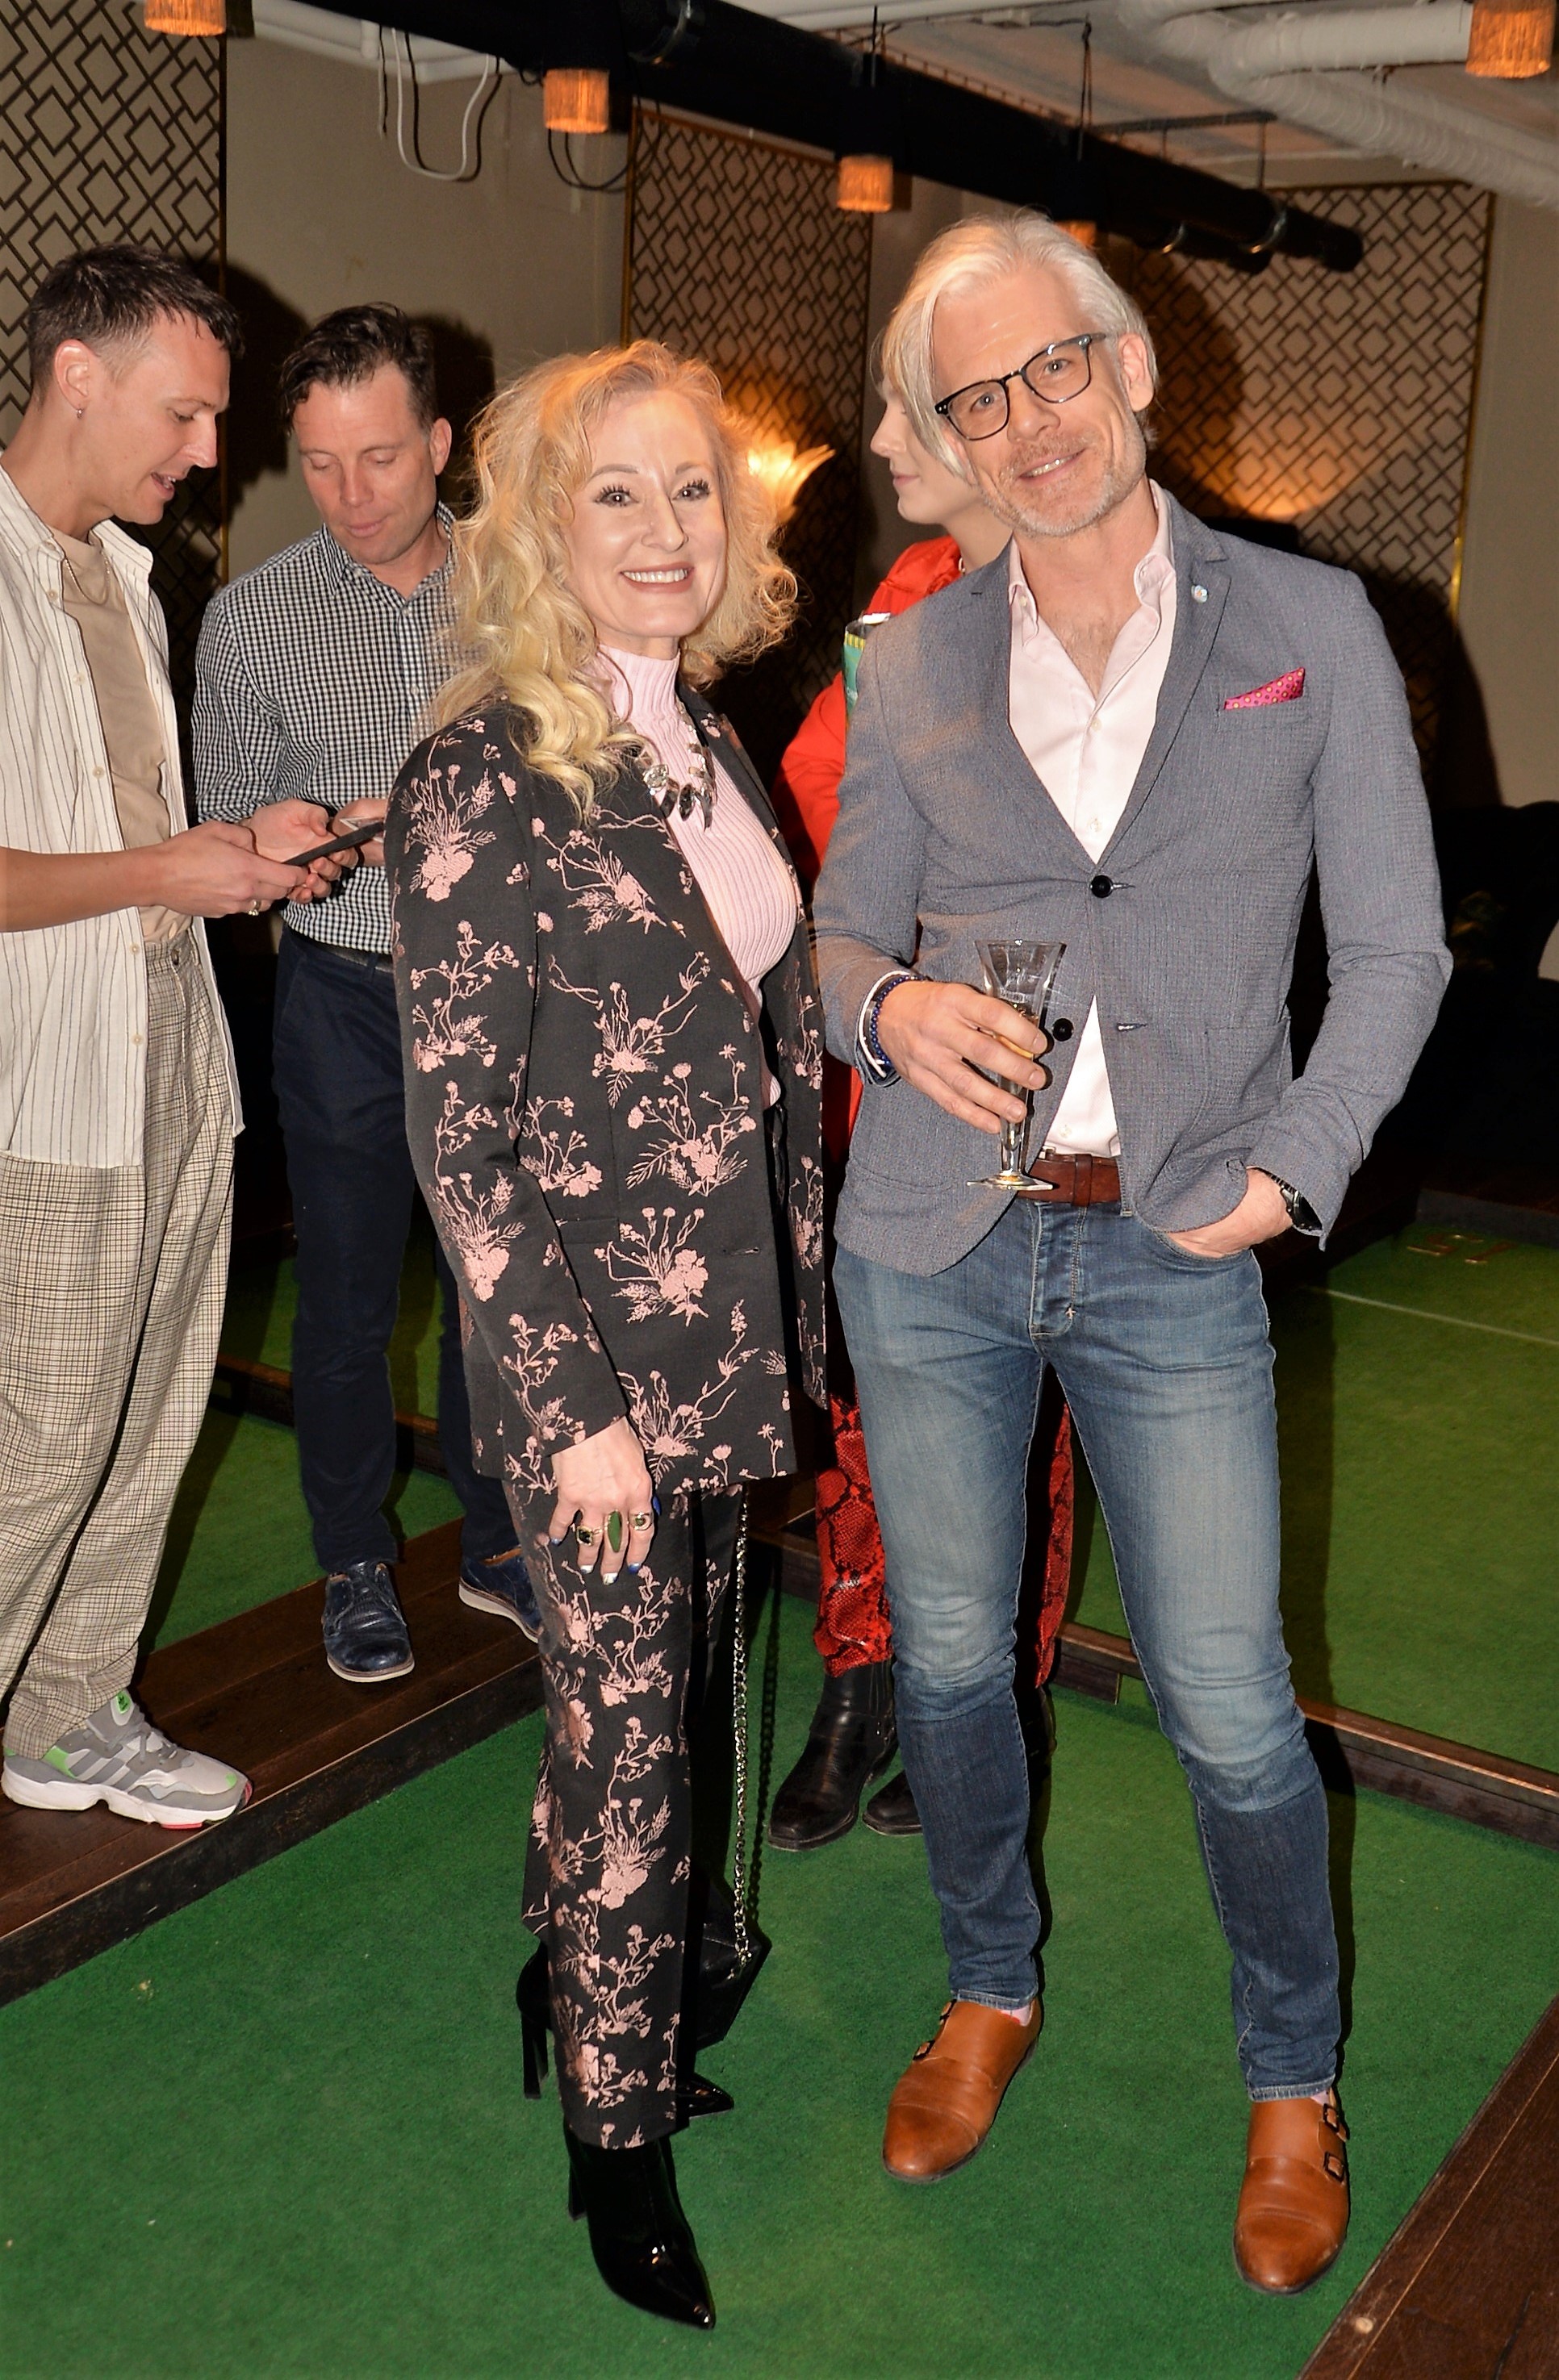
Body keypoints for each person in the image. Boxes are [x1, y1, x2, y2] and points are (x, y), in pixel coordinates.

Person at [813, 213, 1450, 2293]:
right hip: (934, 1239)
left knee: (1233, 1698)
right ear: (951, 437)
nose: (1027, 422)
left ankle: (1293, 2074)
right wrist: (888, 1008)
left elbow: (1399, 950)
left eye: (1053, 370)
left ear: (1133, 365)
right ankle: (986, 1981)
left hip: (1178, 1242)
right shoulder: (911, 656)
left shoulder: (1311, 623)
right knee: (948, 1656)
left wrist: (1293, 1172)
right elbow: (837, 937)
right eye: (977, 399)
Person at [386, 340, 825, 2330]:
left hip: (725, 1336)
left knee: (653, 1706)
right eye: (617, 493)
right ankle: (616, 2138)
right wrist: (570, 1412)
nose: (665, 529)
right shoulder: (485, 769)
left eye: (693, 489)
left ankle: (570, 1977)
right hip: (591, 1373)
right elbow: (460, 1137)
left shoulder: (703, 731)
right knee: (637, 1731)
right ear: (541, 531)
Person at [0, 244, 344, 1827]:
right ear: (78, 375)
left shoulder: (124, 581)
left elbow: (113, 824)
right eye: (186, 412)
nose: (211, 453)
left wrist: (237, 844)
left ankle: (67, 1710)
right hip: (41, 1074)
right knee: (42, 1437)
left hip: (170, 1035)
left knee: (147, 1414)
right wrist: (164, 872)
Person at [194, 305, 539, 1686]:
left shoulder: (529, 589)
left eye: (381, 457)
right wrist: (285, 839)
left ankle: (497, 1537)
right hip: (340, 991)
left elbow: (587, 774)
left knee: (497, 1284)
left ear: (441, 442)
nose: (351, 495)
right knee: (343, 1297)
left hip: (506, 992)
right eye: (323, 462)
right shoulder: (251, 618)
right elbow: (223, 827)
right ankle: (353, 1558)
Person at [767, 379, 1074, 1852]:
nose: (881, 442)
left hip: (1034, 1054)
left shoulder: (1109, 592)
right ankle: (860, 1680)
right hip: (884, 1050)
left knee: (1021, 1401)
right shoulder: (910, 587)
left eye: (912, 413)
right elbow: (817, 774)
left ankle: (1006, 1698)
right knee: (865, 1395)